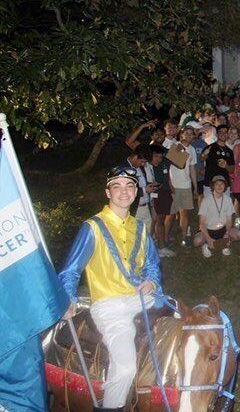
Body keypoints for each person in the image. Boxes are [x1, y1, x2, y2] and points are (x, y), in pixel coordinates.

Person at [58, 166, 162, 410]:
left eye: (129, 186)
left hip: (140, 297)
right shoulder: (93, 226)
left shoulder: (140, 226)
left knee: (183, 319)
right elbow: (70, 270)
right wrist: (68, 299)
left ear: (136, 192)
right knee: (125, 369)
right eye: (117, 186)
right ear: (107, 192)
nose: (123, 192)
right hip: (110, 305)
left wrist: (152, 281)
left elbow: (153, 264)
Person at [195, 175, 240, 257]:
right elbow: (202, 223)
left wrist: (227, 233)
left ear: (225, 186)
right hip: (209, 229)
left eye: (222, 184)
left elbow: (228, 220)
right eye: (217, 184)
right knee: (197, 241)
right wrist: (208, 238)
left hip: (223, 229)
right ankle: (206, 244)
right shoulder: (206, 200)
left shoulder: (228, 200)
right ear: (213, 186)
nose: (219, 186)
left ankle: (224, 243)